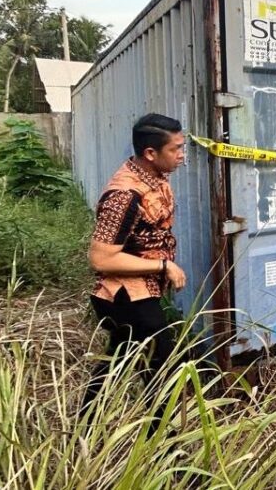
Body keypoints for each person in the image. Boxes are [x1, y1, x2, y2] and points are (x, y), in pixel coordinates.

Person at [80, 113, 188, 426]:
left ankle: (85, 429)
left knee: (118, 359)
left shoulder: (151, 176)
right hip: (127, 299)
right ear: (150, 154)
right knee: (164, 374)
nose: (182, 155)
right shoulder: (124, 196)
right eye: (176, 149)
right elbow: (101, 259)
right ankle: (170, 454)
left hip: (137, 294)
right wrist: (163, 265)